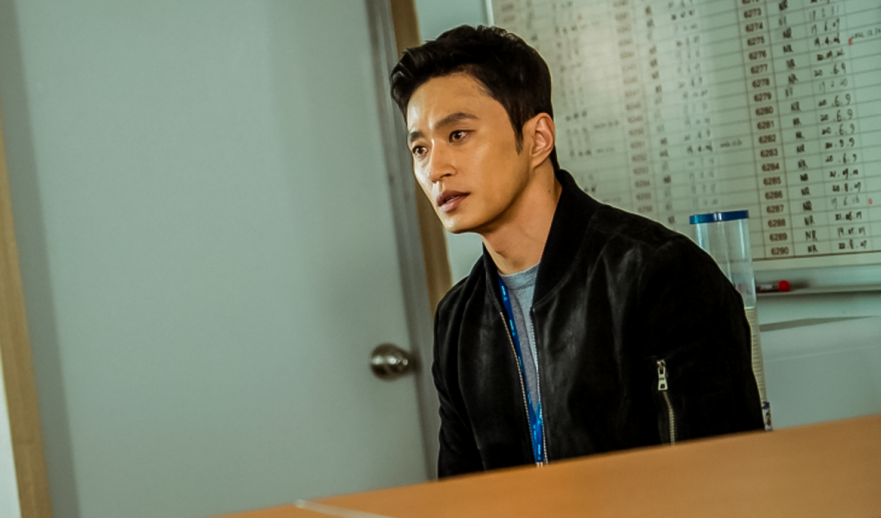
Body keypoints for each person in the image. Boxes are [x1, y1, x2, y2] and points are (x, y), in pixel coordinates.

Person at [390, 25, 764, 478]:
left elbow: (717, 478)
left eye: (458, 135)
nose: (435, 168)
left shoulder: (659, 273)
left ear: (538, 139)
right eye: (419, 148)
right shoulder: (458, 318)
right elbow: (461, 495)